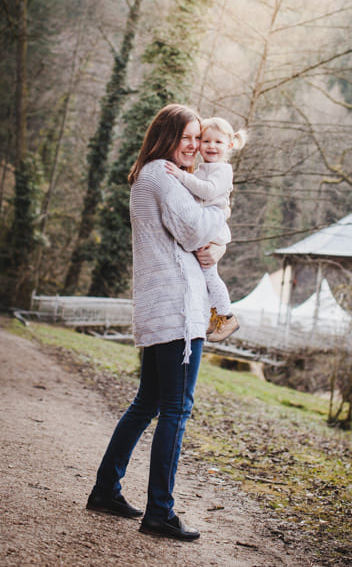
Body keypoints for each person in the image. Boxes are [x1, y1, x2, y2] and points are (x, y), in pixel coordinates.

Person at [86, 104, 227, 542]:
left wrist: (217, 242)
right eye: (186, 137)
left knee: (147, 403)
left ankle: (105, 489)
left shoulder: (156, 176)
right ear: (166, 137)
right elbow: (194, 230)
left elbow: (202, 232)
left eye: (198, 138)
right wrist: (220, 226)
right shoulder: (162, 176)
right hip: (176, 315)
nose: (194, 145)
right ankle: (160, 513)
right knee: (175, 410)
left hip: (166, 310)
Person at [165, 116, 247, 343]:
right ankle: (215, 313)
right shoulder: (204, 168)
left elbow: (208, 192)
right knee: (203, 274)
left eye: (218, 142)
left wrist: (181, 176)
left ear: (229, 145)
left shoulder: (222, 170)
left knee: (210, 274)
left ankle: (226, 316)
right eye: (206, 141)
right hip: (206, 226)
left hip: (212, 230)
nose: (211, 146)